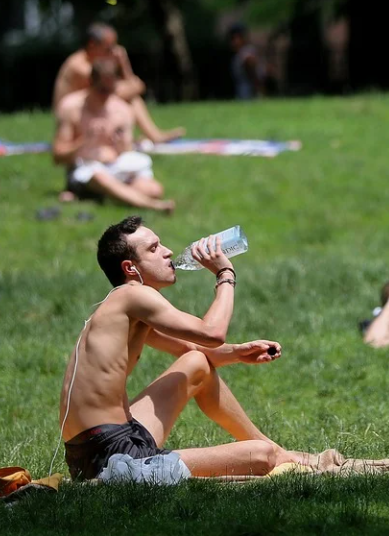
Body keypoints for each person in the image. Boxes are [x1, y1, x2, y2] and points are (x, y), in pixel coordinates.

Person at [59, 216, 316, 480]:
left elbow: (194, 348)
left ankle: (280, 452)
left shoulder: (123, 306)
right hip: (113, 456)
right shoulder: (133, 294)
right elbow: (212, 333)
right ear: (130, 267)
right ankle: (274, 453)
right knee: (261, 456)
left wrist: (239, 353)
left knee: (196, 362)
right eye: (154, 248)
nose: (168, 252)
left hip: (102, 444)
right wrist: (225, 274)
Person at [53, 59, 175, 212]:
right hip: (87, 168)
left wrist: (120, 144)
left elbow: (126, 151)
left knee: (154, 190)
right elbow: (57, 156)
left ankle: (102, 195)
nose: (106, 96)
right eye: (102, 90)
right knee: (100, 177)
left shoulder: (121, 109)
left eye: (111, 90)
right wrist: (84, 142)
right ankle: (154, 206)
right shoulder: (71, 107)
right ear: (90, 83)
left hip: (117, 167)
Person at [53, 22, 184, 143]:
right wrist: (132, 81)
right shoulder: (79, 66)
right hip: (72, 116)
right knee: (129, 98)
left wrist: (124, 64)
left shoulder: (96, 64)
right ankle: (154, 136)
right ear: (92, 44)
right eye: (109, 48)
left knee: (128, 98)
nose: (114, 52)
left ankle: (147, 136)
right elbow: (116, 89)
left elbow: (128, 85)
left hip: (87, 109)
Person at [227, 23, 265, 100]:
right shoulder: (239, 53)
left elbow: (252, 69)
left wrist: (258, 89)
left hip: (248, 89)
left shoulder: (246, 52)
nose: (234, 42)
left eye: (237, 38)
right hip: (242, 88)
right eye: (232, 38)